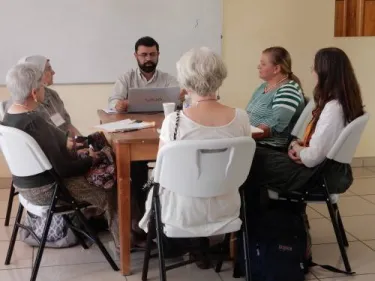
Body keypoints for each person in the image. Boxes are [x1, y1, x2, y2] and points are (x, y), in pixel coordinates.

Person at [139, 47, 252, 263]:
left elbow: (161, 173)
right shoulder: (241, 118)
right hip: (226, 208)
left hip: (182, 213)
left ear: (186, 80)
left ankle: (173, 248)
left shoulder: (174, 121)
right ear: (220, 76)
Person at [2, 63, 119, 251]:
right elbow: (64, 170)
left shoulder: (8, 118)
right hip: (49, 190)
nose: (44, 90)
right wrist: (92, 159)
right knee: (111, 187)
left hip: (26, 189)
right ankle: (125, 244)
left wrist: (78, 155)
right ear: (34, 93)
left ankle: (89, 223)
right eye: (42, 86)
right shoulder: (35, 122)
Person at [246, 47, 364, 203]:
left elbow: (312, 158)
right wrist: (300, 145)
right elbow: (322, 145)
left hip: (320, 176)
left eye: (314, 68)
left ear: (324, 73)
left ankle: (259, 221)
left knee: (248, 158)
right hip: (331, 171)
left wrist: (297, 148)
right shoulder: (344, 102)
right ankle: (265, 220)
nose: (312, 73)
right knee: (251, 155)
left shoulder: (333, 108)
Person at [5, 55, 81, 136]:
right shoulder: (20, 107)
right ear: (35, 73)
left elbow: (68, 126)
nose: (53, 72)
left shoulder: (52, 95)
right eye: (48, 69)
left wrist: (85, 142)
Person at [246, 47, 305, 149]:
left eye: (263, 64)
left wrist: (237, 135)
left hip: (269, 148)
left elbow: (271, 129)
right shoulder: (262, 87)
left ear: (276, 69)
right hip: (253, 143)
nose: (258, 67)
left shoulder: (288, 90)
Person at [108, 36, 180, 112]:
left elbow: (178, 100)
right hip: (131, 121)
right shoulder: (126, 78)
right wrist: (118, 105)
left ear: (158, 55)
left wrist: (182, 98)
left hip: (161, 121)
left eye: (152, 54)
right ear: (136, 56)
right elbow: (113, 101)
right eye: (144, 55)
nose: (148, 58)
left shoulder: (168, 79)